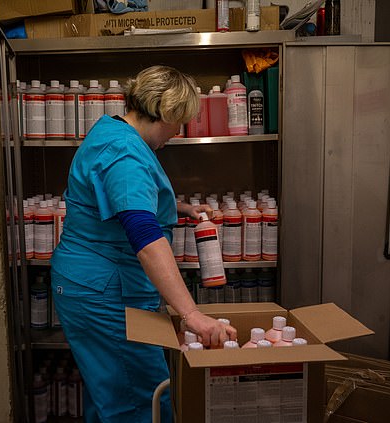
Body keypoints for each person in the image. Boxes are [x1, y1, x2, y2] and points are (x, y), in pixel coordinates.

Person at [50, 65, 238, 422]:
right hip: (105, 292)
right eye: (178, 121)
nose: (178, 132)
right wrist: (192, 315)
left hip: (90, 282)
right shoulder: (125, 152)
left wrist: (178, 207)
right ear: (165, 112)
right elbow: (145, 238)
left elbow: (117, 202)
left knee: (111, 390)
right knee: (139, 401)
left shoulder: (112, 131)